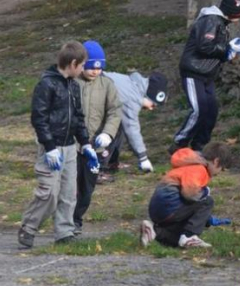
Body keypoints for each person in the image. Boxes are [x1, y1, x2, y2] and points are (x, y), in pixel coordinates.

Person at [18, 41, 95, 249]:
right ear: (72, 63)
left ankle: (64, 231)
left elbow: (79, 117)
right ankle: (28, 227)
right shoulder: (47, 84)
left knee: (69, 192)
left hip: (70, 146)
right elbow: (39, 118)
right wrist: (49, 146)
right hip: (51, 148)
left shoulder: (74, 86)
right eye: (82, 66)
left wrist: (86, 144)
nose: (83, 70)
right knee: (49, 192)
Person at [172, 0, 240, 153]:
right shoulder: (211, 20)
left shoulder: (221, 23)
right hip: (194, 71)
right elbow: (205, 46)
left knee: (211, 111)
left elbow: (214, 51)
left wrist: (229, 54)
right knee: (199, 110)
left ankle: (200, 145)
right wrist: (227, 49)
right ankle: (179, 143)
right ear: (232, 11)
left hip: (207, 74)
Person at [140, 142, 233, 249]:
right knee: (207, 201)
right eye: (222, 169)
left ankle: (153, 231)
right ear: (216, 162)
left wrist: (206, 218)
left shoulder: (190, 164)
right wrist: (205, 192)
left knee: (177, 238)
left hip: (159, 209)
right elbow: (189, 194)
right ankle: (189, 237)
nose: (219, 173)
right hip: (169, 207)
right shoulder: (199, 169)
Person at [72, 41, 122, 234]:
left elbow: (115, 111)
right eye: (91, 67)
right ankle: (68, 220)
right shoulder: (72, 82)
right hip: (73, 145)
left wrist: (108, 133)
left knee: (87, 187)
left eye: (99, 68)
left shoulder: (107, 84)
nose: (94, 72)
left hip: (95, 146)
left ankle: (77, 216)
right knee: (69, 185)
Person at [103, 70, 169, 173]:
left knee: (119, 125)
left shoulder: (132, 84)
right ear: (147, 96)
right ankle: (99, 167)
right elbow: (131, 128)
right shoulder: (131, 98)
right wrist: (143, 158)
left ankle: (111, 162)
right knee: (110, 130)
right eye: (152, 105)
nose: (151, 109)